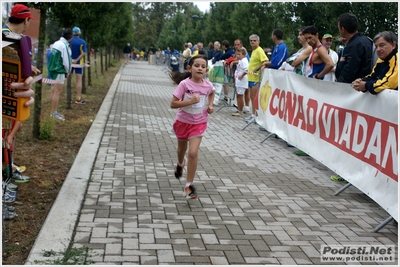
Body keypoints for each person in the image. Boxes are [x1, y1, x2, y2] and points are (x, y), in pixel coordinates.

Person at [169, 54, 216, 199]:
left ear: (206, 70)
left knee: (193, 153)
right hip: (183, 122)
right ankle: (180, 163)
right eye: (197, 65)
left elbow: (212, 92)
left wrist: (210, 105)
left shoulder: (207, 85)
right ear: (190, 68)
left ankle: (189, 186)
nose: (200, 68)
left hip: (199, 123)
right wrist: (190, 102)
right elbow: (173, 104)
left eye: (203, 66)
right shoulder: (184, 84)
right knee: (182, 150)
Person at [2, 3, 39, 183]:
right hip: (6, 101)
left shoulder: (8, 36)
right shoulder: (14, 40)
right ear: (25, 20)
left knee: (12, 131)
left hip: (10, 99)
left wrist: (27, 68)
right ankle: (6, 170)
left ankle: (8, 167)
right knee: (7, 134)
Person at [336, 13, 373, 83]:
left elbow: (349, 71)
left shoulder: (353, 46)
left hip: (354, 88)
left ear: (343, 29)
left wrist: (341, 63)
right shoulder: (368, 40)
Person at [48, 28, 73, 121]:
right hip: (59, 70)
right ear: (71, 37)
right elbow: (67, 61)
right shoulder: (64, 46)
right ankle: (54, 113)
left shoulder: (56, 43)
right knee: (57, 92)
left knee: (53, 90)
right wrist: (67, 71)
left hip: (53, 69)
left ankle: (52, 111)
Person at [244, 34, 269, 124]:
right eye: (251, 41)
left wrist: (258, 68)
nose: (252, 42)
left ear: (258, 41)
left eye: (254, 40)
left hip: (256, 78)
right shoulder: (254, 51)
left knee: (255, 97)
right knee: (252, 97)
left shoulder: (259, 50)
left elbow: (265, 61)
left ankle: (256, 116)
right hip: (251, 77)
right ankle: (253, 114)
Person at [230, 39, 251, 114]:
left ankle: (241, 110)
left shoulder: (244, 61)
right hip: (239, 80)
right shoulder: (241, 61)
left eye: (239, 54)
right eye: (237, 54)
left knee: (240, 95)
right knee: (238, 95)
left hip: (242, 81)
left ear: (244, 54)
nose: (238, 56)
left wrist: (241, 76)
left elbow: (246, 70)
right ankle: (239, 108)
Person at [70, 26, 87, 104]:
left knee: (67, 79)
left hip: (69, 62)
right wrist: (76, 60)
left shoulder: (69, 41)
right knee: (79, 80)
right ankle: (78, 98)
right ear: (79, 33)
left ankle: (68, 97)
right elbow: (83, 53)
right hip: (79, 63)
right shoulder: (82, 41)